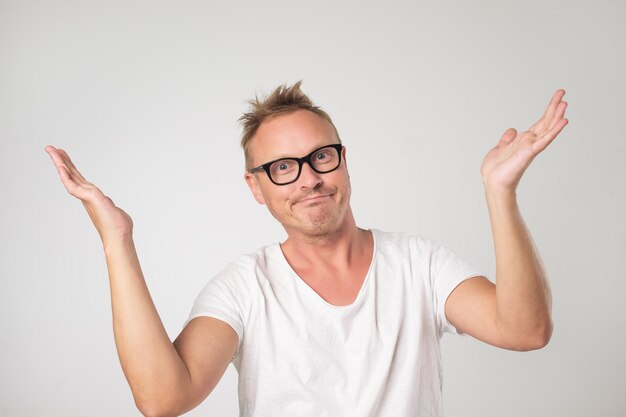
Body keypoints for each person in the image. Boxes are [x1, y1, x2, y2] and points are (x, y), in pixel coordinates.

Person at [45, 80, 569, 417]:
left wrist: (500, 192)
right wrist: (117, 240)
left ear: (343, 160)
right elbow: (163, 398)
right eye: (282, 167)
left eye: (321, 157)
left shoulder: (418, 264)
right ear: (257, 187)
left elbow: (525, 330)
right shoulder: (245, 287)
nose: (309, 180)